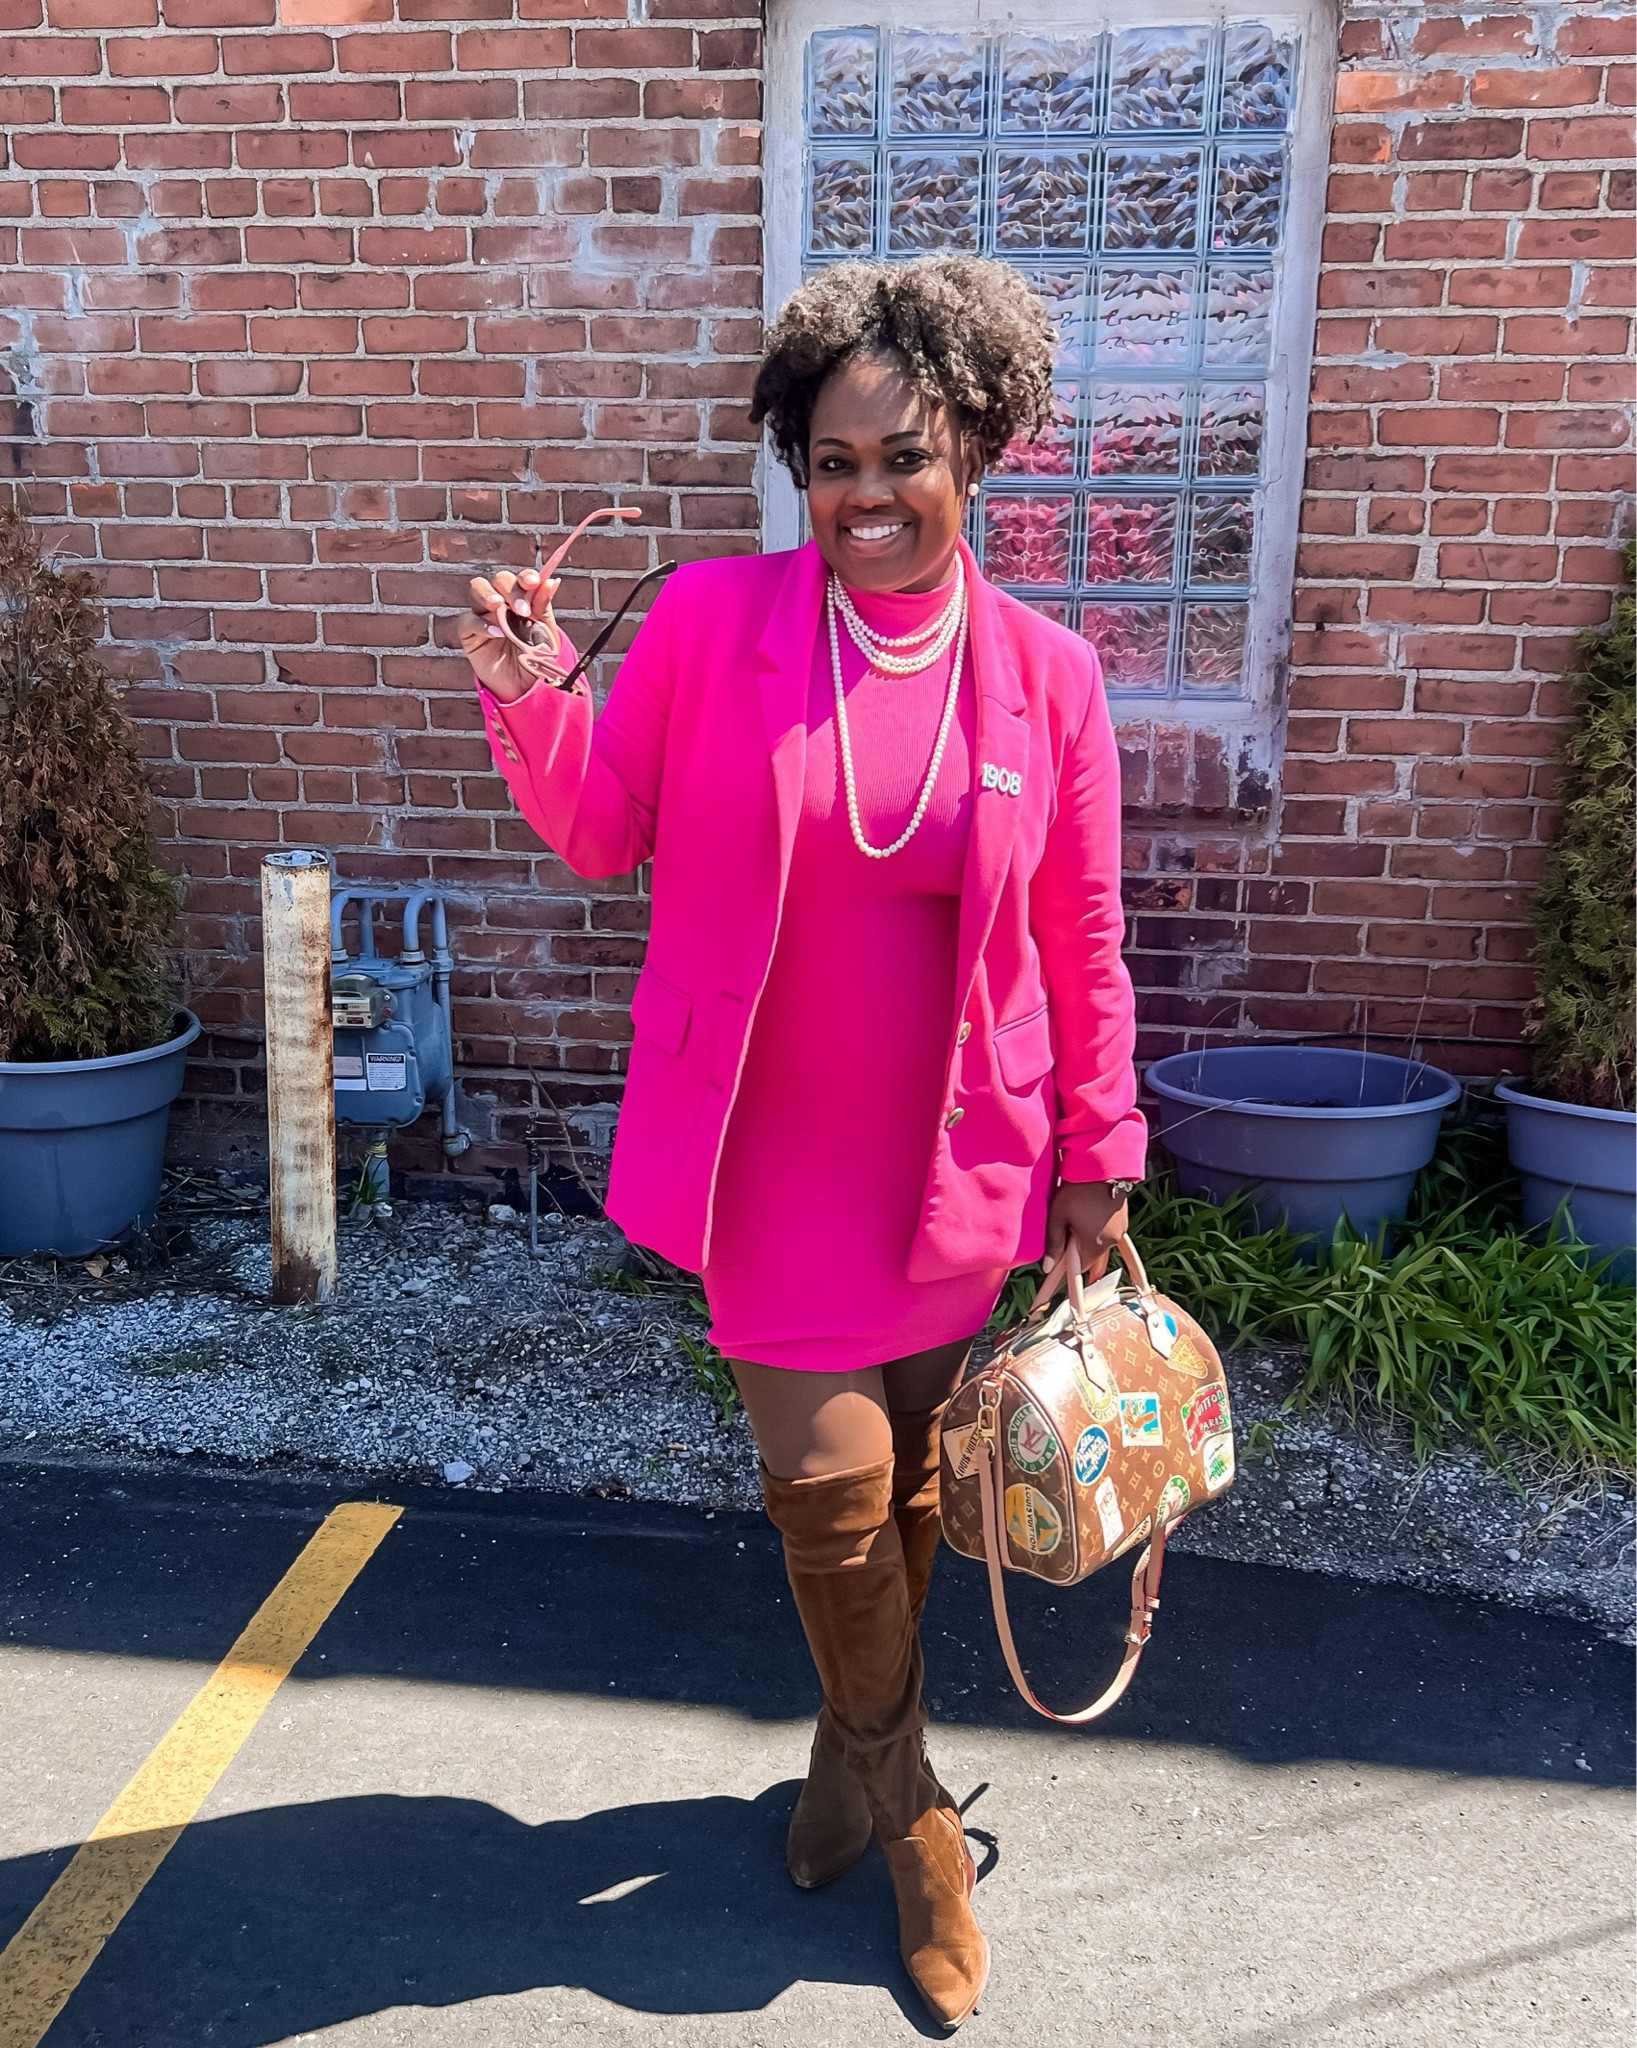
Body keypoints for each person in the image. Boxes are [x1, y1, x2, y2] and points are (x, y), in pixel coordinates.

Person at [460, 254, 1145, 2032]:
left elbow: (1080, 937)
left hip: (960, 1149)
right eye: (828, 463)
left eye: (898, 457)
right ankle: (914, 1817)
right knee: (832, 1506)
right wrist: (534, 695)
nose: (861, 495)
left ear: (977, 443)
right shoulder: (704, 623)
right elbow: (603, 832)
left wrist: (1099, 1148)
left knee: (918, 1488)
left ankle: (850, 1764)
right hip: (762, 1153)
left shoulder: (1050, 680)